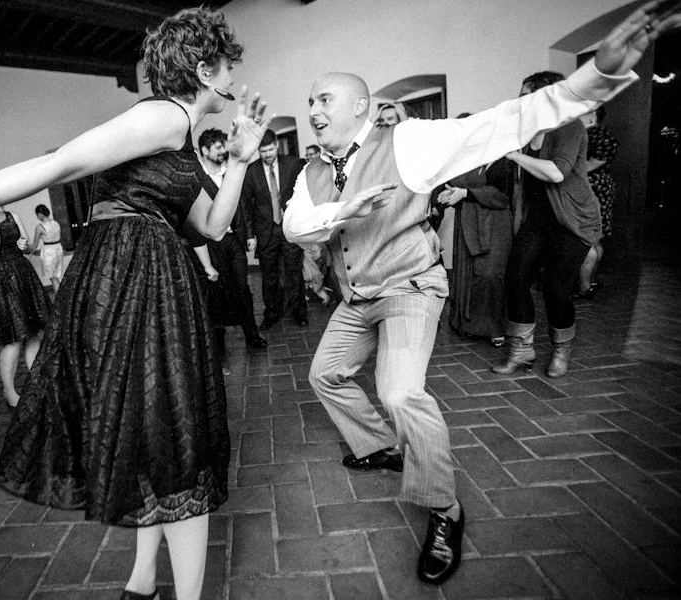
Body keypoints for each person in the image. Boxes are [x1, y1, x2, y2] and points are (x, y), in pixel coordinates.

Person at [0, 7, 271, 599]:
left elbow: (212, 227)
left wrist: (240, 162)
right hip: (133, 287)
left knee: (153, 431)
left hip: (152, 285)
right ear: (204, 68)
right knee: (174, 434)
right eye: (228, 66)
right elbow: (54, 165)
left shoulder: (180, 136)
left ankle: (142, 581)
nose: (235, 79)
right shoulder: (162, 116)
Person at [282, 2, 676, 584]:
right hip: (358, 294)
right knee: (325, 375)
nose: (312, 110)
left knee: (399, 390)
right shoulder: (310, 171)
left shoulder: (410, 141)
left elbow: (504, 122)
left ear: (361, 105)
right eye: (310, 101)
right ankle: (382, 448)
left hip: (412, 284)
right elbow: (296, 228)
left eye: (324, 100)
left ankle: (445, 509)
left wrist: (594, 78)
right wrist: (341, 210)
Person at [493, 71, 603, 379]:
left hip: (573, 221)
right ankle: (521, 350)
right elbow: (523, 187)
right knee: (514, 278)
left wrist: (515, 155)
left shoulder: (570, 126)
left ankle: (560, 352)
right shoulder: (530, 132)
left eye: (526, 94)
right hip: (539, 221)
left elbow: (556, 172)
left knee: (556, 288)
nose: (521, 100)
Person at [0, 179, 51, 408]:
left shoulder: (13, 215)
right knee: (13, 340)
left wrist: (24, 245)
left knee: (33, 333)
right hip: (1, 281)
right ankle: (9, 391)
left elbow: (26, 248)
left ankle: (36, 384)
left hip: (23, 274)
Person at [436, 115, 514, 347]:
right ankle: (468, 325)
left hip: (495, 223)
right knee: (467, 274)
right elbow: (455, 185)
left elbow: (503, 195)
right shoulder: (466, 158)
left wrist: (466, 194)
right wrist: (450, 194)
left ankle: (495, 328)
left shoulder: (503, 159)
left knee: (490, 274)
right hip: (468, 222)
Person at [194, 128, 267, 353]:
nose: (223, 152)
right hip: (209, 244)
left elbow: (243, 206)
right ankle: (218, 342)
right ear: (205, 151)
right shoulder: (197, 178)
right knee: (214, 292)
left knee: (242, 288)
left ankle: (252, 335)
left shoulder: (231, 173)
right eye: (218, 148)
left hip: (232, 240)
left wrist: (247, 235)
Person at [241, 129, 308, 329]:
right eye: (263, 151)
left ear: (277, 145)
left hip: (289, 228)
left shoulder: (293, 164)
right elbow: (246, 205)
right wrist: (250, 234)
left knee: (294, 272)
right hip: (265, 232)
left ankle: (299, 312)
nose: (268, 154)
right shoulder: (251, 172)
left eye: (270, 149)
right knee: (268, 276)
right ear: (258, 151)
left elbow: (305, 193)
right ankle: (271, 313)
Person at [577, 105, 619, 297]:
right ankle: (590, 283)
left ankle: (585, 287)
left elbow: (587, 166)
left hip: (591, 189)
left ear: (593, 114)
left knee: (587, 239)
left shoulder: (595, 136)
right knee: (595, 238)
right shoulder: (597, 135)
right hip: (599, 187)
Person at [30, 203, 65, 294]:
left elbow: (35, 244)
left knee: (53, 279)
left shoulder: (40, 227)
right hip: (58, 249)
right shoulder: (56, 223)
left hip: (49, 252)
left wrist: (30, 255)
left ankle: (60, 300)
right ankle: (62, 296)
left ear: (40, 214)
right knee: (56, 276)